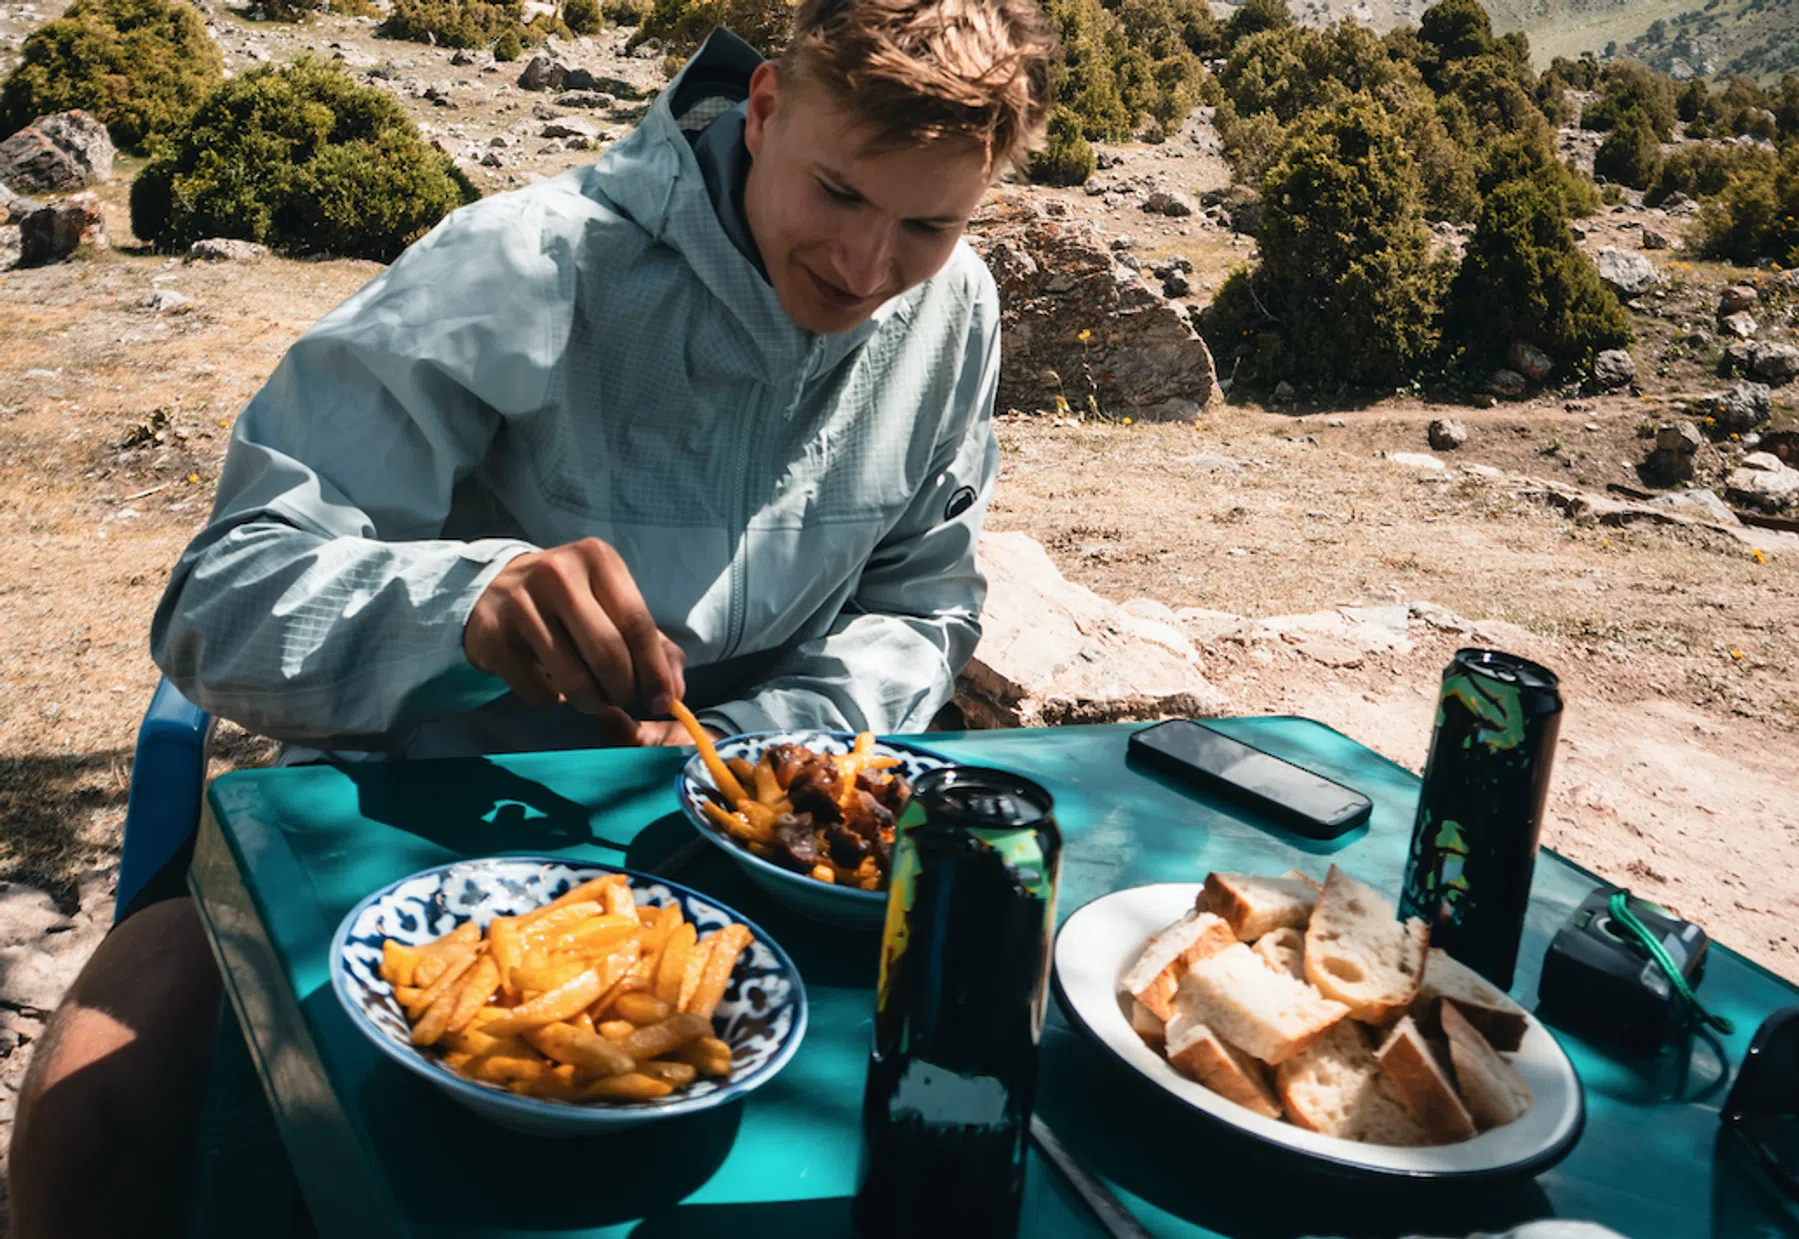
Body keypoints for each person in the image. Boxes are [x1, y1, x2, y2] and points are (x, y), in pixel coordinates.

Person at [7, 1, 1055, 1233]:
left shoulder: (955, 313)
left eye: (928, 222)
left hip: (762, 880)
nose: (866, 268)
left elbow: (922, 602)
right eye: (835, 192)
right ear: (764, 107)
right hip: (396, 837)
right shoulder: (524, 262)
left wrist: (767, 744)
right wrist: (464, 608)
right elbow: (218, 603)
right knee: (96, 1119)